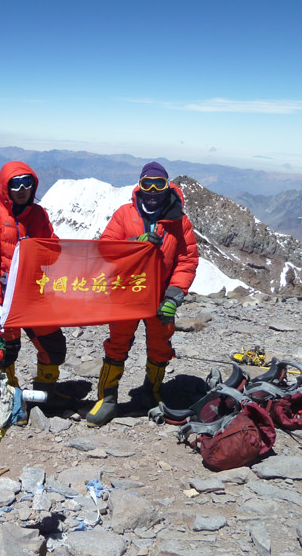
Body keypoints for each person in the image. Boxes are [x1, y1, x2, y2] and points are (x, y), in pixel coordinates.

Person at [87, 162, 199, 426]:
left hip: (161, 298)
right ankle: (108, 398)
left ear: (167, 186)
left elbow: (186, 260)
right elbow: (105, 250)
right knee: (117, 345)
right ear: (139, 186)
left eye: (158, 184)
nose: (152, 190)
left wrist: (173, 296)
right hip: (126, 295)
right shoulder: (124, 215)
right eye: (146, 183)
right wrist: (132, 246)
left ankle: (152, 392)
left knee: (161, 346)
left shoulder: (179, 221)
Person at [0, 161, 74, 413]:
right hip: (6, 298)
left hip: (35, 294)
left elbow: (52, 251)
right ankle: (10, 399)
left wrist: (50, 249)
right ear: (5, 188)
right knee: (7, 351)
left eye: (27, 183)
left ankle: (44, 395)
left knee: (54, 347)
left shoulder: (39, 215)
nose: (22, 189)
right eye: (15, 184)